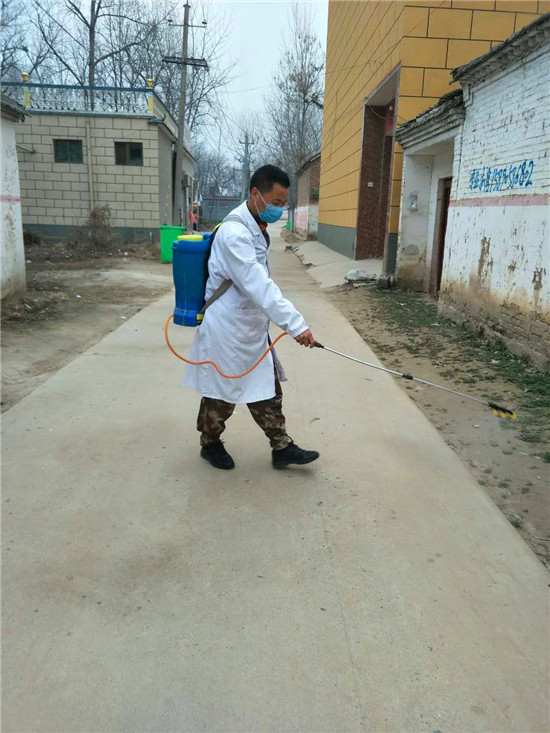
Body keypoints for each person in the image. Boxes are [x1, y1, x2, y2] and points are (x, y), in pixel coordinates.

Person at [183, 165, 320, 470]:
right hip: (228, 330)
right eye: (275, 203)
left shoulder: (255, 224)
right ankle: (210, 443)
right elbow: (259, 285)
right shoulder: (235, 234)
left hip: (249, 326)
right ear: (256, 194)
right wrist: (296, 325)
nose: (278, 210)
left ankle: (281, 446)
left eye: (283, 204)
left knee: (267, 387)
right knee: (222, 394)